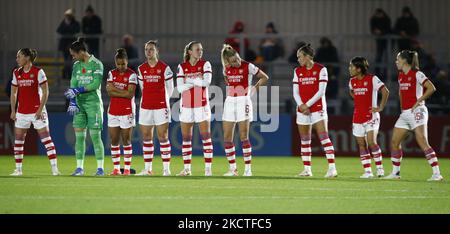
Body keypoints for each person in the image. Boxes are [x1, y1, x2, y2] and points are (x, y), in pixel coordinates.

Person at [384, 50, 443, 181]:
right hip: (405, 113)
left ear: (405, 60)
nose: (396, 62)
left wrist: (418, 101)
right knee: (394, 142)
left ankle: (437, 174)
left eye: (398, 59)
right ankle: (395, 173)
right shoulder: (400, 76)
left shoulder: (417, 74)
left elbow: (431, 88)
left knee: (422, 140)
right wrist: (402, 109)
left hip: (418, 111)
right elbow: (401, 93)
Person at [10, 48, 60, 176]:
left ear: (27, 58)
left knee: (46, 140)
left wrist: (40, 109)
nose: (17, 59)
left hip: (37, 112)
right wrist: (13, 110)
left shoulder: (38, 72)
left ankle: (55, 169)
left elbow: (45, 92)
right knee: (19, 141)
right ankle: (18, 170)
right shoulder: (16, 73)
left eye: (19, 56)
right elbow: (13, 93)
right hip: (21, 112)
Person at [221, 44, 269, 176]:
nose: (237, 62)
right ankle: (233, 169)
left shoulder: (248, 66)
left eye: (237, 59)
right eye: (233, 61)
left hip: (243, 101)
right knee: (227, 137)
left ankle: (248, 170)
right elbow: (228, 84)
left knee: (243, 136)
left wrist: (253, 91)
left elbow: (265, 77)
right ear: (227, 61)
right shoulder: (226, 69)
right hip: (230, 101)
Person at [292, 44, 338, 178]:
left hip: (318, 108)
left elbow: (321, 92)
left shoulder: (321, 69)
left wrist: (307, 105)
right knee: (305, 140)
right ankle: (307, 170)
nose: (298, 60)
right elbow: (295, 92)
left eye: (300, 57)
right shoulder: (297, 71)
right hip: (302, 109)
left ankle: (332, 168)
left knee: (324, 137)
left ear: (307, 57)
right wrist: (301, 105)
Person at [64, 38, 105, 176]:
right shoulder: (76, 65)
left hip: (93, 105)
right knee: (79, 137)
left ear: (81, 52)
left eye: (73, 54)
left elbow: (95, 84)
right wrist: (73, 101)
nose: (73, 57)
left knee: (95, 137)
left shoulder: (97, 64)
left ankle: (100, 169)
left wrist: (78, 90)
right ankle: (79, 168)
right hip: (79, 105)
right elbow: (73, 83)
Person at [135, 40, 174, 176]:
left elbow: (170, 89)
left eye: (151, 49)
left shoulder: (165, 68)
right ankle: (148, 169)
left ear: (157, 51)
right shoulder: (141, 69)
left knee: (163, 137)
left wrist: (163, 101)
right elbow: (142, 88)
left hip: (161, 106)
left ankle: (166, 169)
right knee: (146, 137)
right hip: (145, 106)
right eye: (146, 49)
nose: (148, 52)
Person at [176, 41, 214, 176]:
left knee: (206, 138)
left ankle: (208, 170)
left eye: (201, 49)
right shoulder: (182, 66)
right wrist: (198, 81)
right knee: (186, 139)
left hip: (202, 104)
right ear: (189, 52)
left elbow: (207, 83)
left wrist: (189, 81)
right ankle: (187, 169)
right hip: (186, 105)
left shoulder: (205, 64)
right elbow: (180, 88)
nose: (200, 51)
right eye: (197, 49)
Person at [348, 57, 389, 178]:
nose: (349, 69)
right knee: (362, 145)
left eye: (352, 67)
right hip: (357, 117)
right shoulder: (352, 81)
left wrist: (380, 107)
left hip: (371, 116)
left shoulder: (372, 79)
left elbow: (385, 91)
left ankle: (380, 169)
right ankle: (368, 171)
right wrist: (357, 98)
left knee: (372, 142)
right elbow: (351, 91)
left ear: (359, 69)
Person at [106, 49, 137, 176]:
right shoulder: (111, 73)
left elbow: (130, 95)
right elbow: (109, 92)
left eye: (123, 64)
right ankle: (117, 169)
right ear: (115, 63)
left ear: (127, 62)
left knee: (126, 140)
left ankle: (127, 169)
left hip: (127, 111)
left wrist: (115, 90)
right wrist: (122, 91)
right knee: (114, 140)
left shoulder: (132, 74)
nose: (121, 66)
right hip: (113, 111)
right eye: (118, 64)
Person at [57, 8, 80, 80]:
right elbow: (59, 30)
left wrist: (67, 29)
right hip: (64, 45)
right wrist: (66, 26)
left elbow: (76, 30)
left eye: (69, 16)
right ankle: (65, 75)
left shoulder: (75, 23)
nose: (67, 17)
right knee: (65, 61)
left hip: (71, 45)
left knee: (70, 61)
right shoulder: (64, 23)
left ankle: (69, 75)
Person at [370, 8, 392, 77]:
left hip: (386, 41)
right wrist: (375, 31)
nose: (378, 16)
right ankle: (377, 73)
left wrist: (381, 32)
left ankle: (385, 74)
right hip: (379, 40)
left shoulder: (386, 19)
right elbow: (372, 28)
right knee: (379, 56)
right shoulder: (374, 19)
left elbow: (388, 29)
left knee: (386, 57)